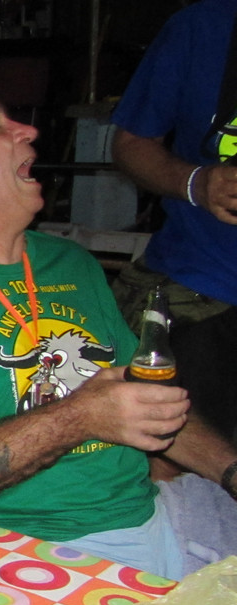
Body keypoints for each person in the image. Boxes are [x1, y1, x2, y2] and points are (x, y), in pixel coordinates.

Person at [0, 85, 237, 581]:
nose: (29, 130)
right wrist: (82, 417)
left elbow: (145, 401)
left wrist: (229, 468)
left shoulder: (71, 262)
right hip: (39, 547)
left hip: (152, 514)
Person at [111, 0, 237, 445]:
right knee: (169, 453)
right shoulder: (203, 28)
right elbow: (131, 143)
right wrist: (196, 183)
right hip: (205, 289)